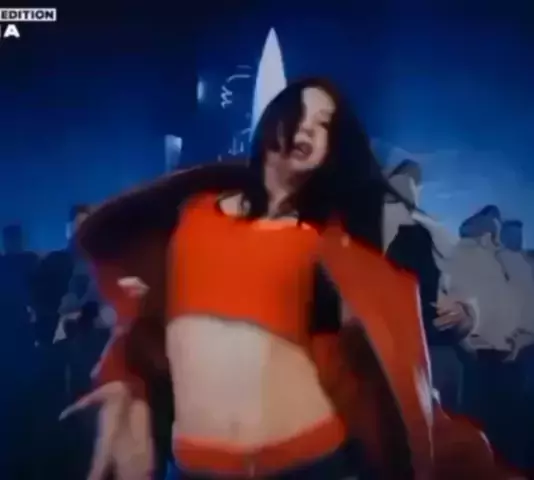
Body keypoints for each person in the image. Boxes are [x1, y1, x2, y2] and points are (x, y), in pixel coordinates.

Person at [65, 79, 506, 479]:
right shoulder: (193, 214)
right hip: (197, 468)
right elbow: (144, 323)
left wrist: (478, 467)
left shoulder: (331, 246)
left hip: (310, 463)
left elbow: (394, 380)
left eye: (325, 124)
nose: (309, 127)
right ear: (272, 119)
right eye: (300, 112)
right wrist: (124, 382)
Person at [383, 160, 475, 410]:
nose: (409, 186)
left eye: (415, 182)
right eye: (405, 179)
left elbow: (459, 295)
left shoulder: (430, 234)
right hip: (381, 351)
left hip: (429, 349)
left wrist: (465, 315)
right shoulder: (364, 225)